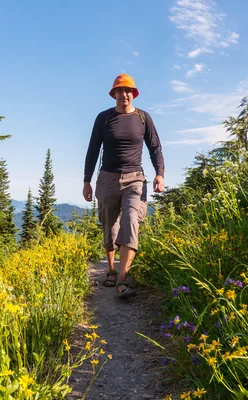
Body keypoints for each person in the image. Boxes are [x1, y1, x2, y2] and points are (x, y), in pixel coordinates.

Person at [83, 73, 165, 298]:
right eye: (120, 90)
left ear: (134, 93)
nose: (124, 94)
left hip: (135, 179)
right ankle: (110, 269)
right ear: (114, 94)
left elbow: (155, 147)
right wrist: (86, 180)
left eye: (128, 90)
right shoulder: (104, 118)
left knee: (131, 221)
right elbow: (92, 150)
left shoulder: (143, 118)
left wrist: (160, 174)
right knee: (109, 226)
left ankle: (122, 279)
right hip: (107, 178)